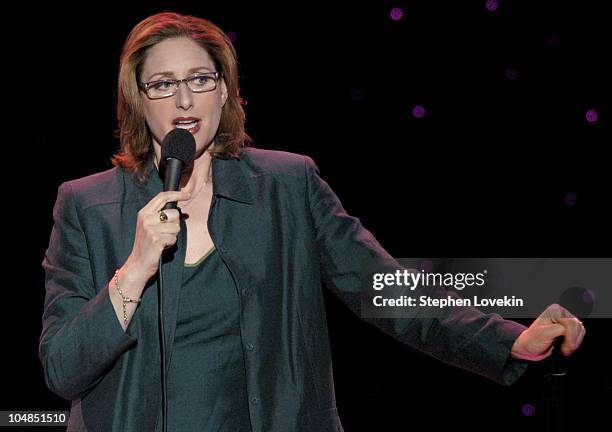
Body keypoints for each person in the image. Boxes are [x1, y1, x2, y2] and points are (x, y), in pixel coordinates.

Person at [38, 12, 586, 432]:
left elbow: (383, 286)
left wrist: (506, 339)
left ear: (224, 90)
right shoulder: (88, 205)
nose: (184, 98)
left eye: (200, 78)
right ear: (139, 100)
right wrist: (134, 268)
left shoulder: (285, 184)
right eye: (162, 84)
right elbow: (63, 370)